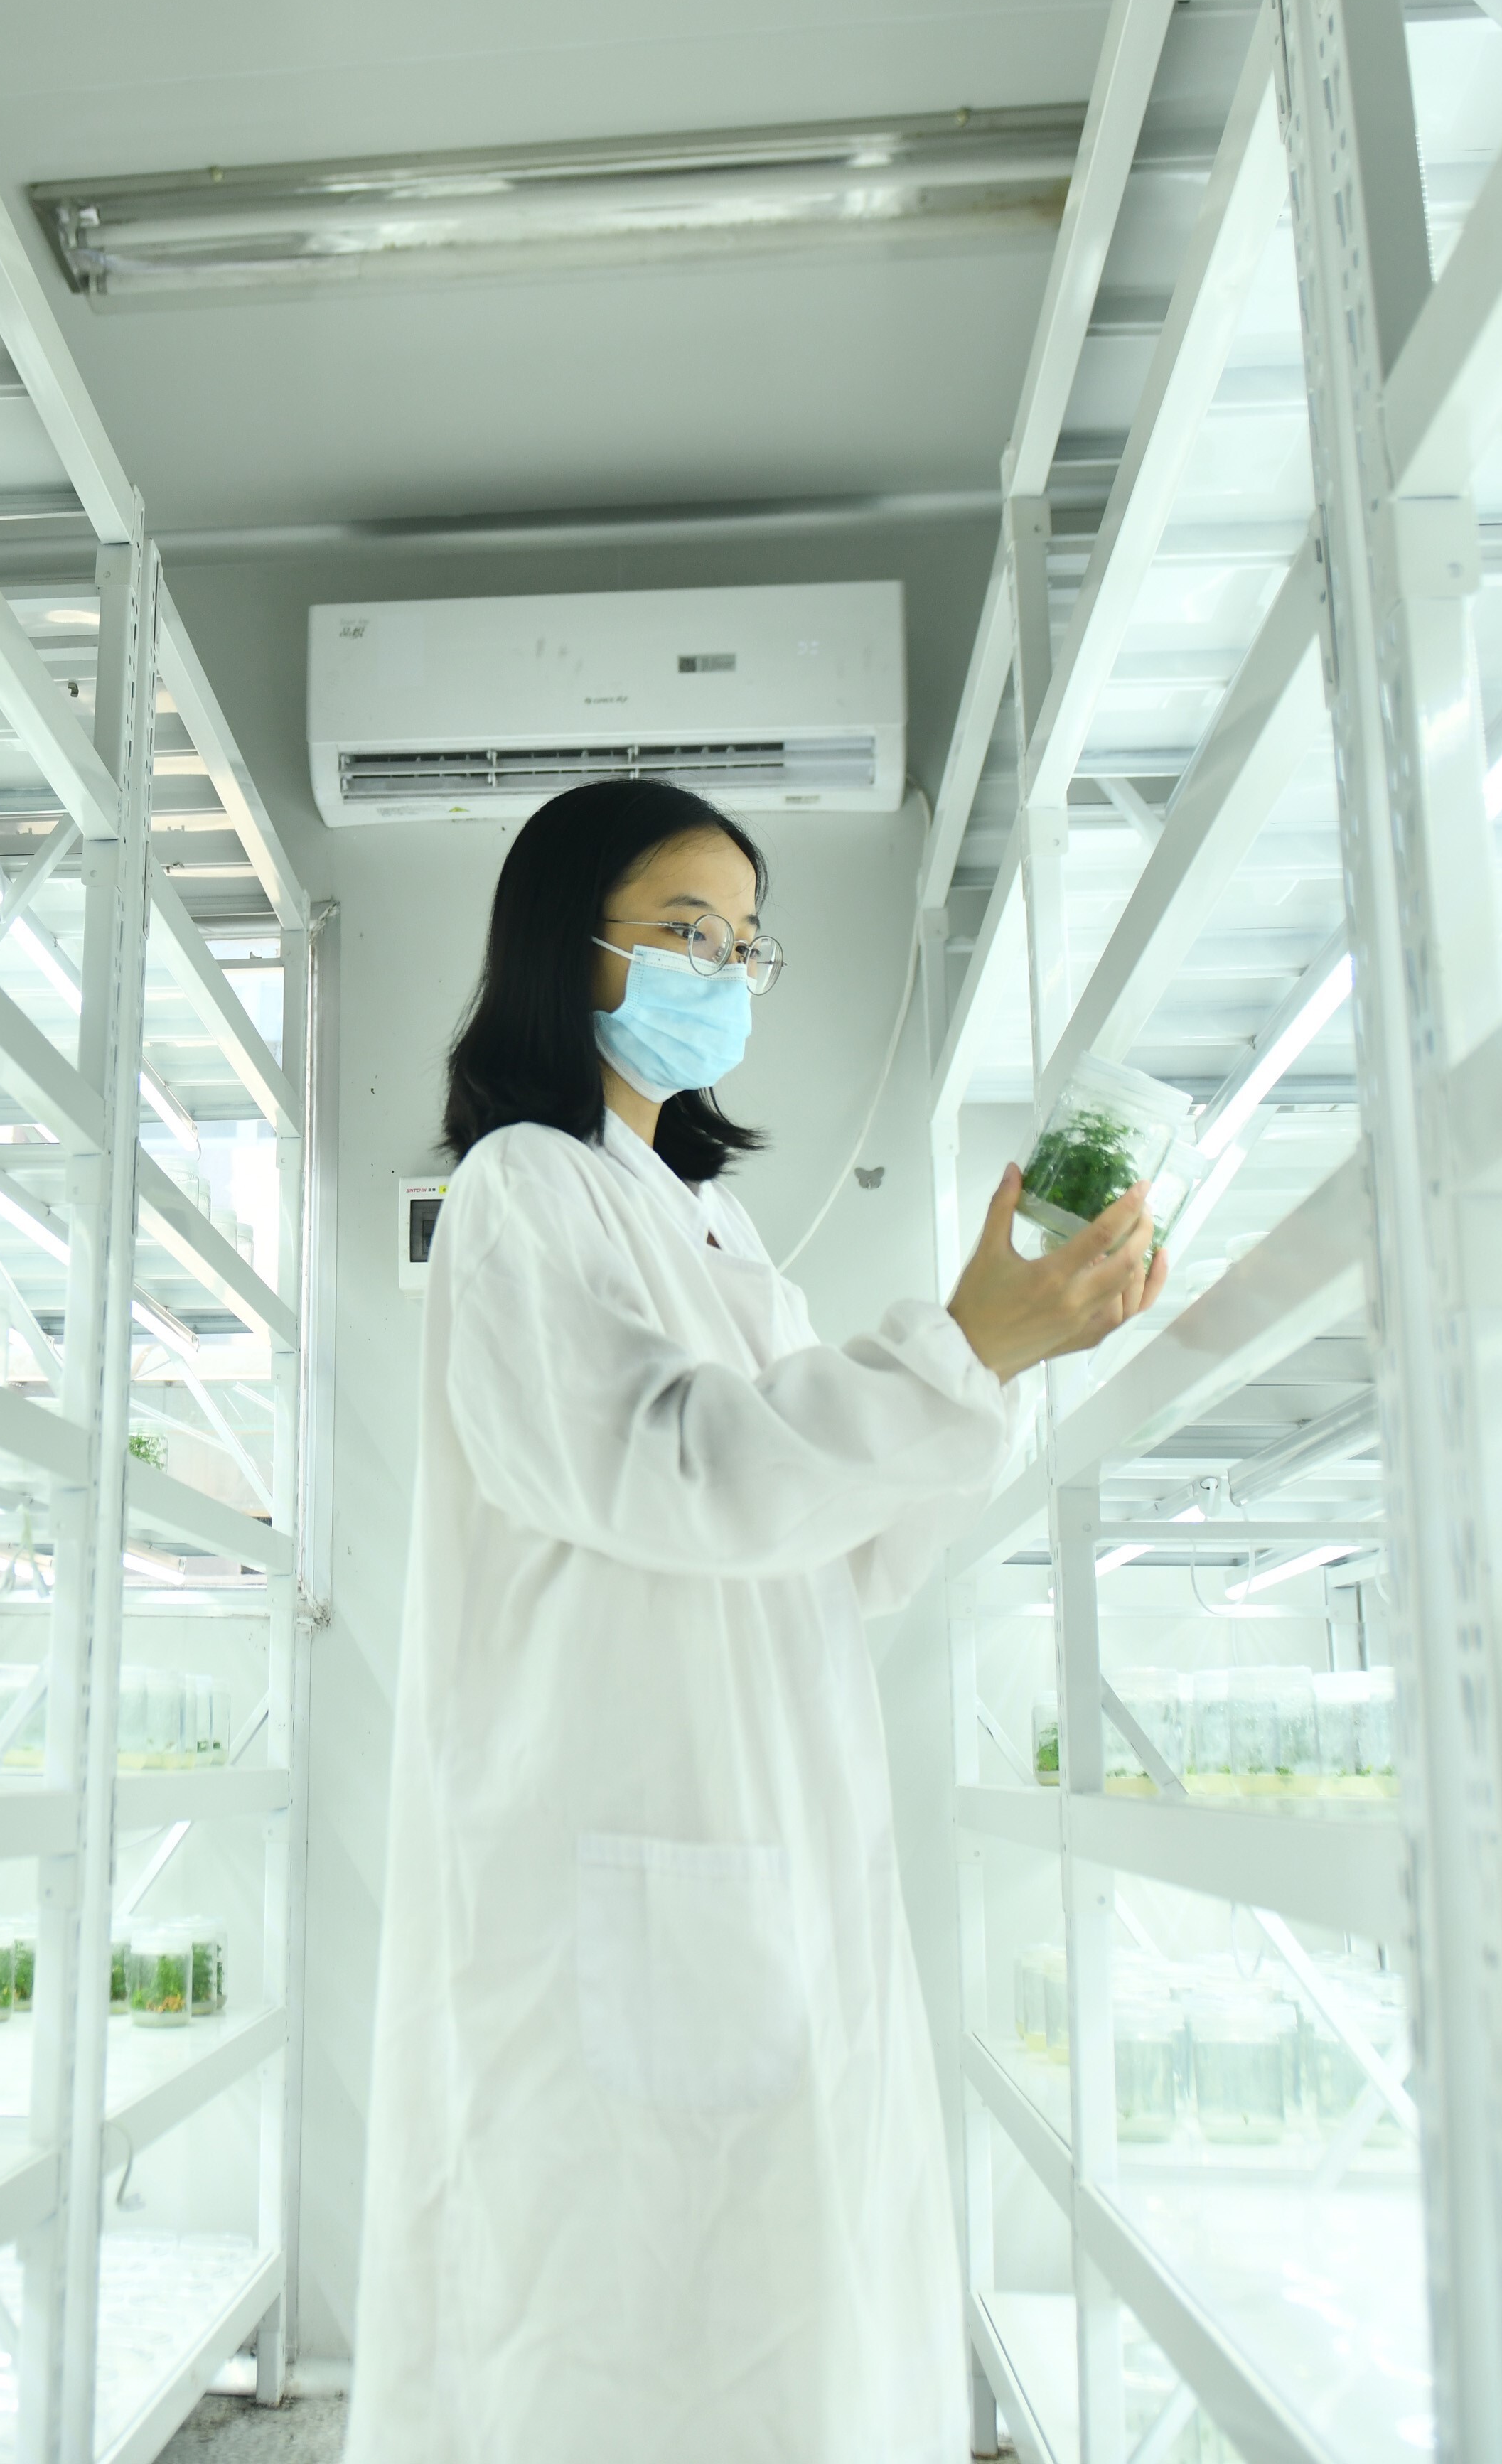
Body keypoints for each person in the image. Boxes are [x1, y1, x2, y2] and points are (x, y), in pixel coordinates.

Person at [342, 778, 1166, 2464]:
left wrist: (989, 1364)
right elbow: (668, 1469)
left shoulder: (721, 1235)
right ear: (566, 961)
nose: (724, 967)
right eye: (681, 933)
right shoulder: (525, 1189)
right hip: (621, 1848)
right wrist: (955, 1356)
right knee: (605, 2335)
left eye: (743, 941)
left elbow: (846, 1555)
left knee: (779, 2327)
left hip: (763, 1852)